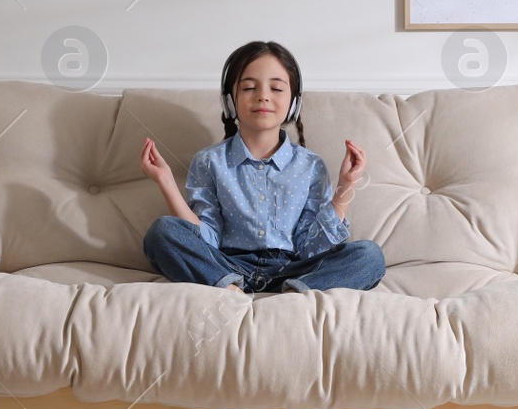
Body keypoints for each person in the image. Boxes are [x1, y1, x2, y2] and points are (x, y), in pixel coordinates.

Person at [140, 40, 386, 294]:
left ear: (294, 103)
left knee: (370, 256)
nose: (263, 96)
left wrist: (346, 187)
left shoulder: (311, 166)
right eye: (248, 87)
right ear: (230, 100)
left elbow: (311, 247)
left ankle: (295, 294)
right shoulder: (208, 161)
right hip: (227, 265)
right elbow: (207, 239)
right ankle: (227, 288)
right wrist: (166, 182)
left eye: (276, 88)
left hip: (294, 269)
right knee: (162, 232)